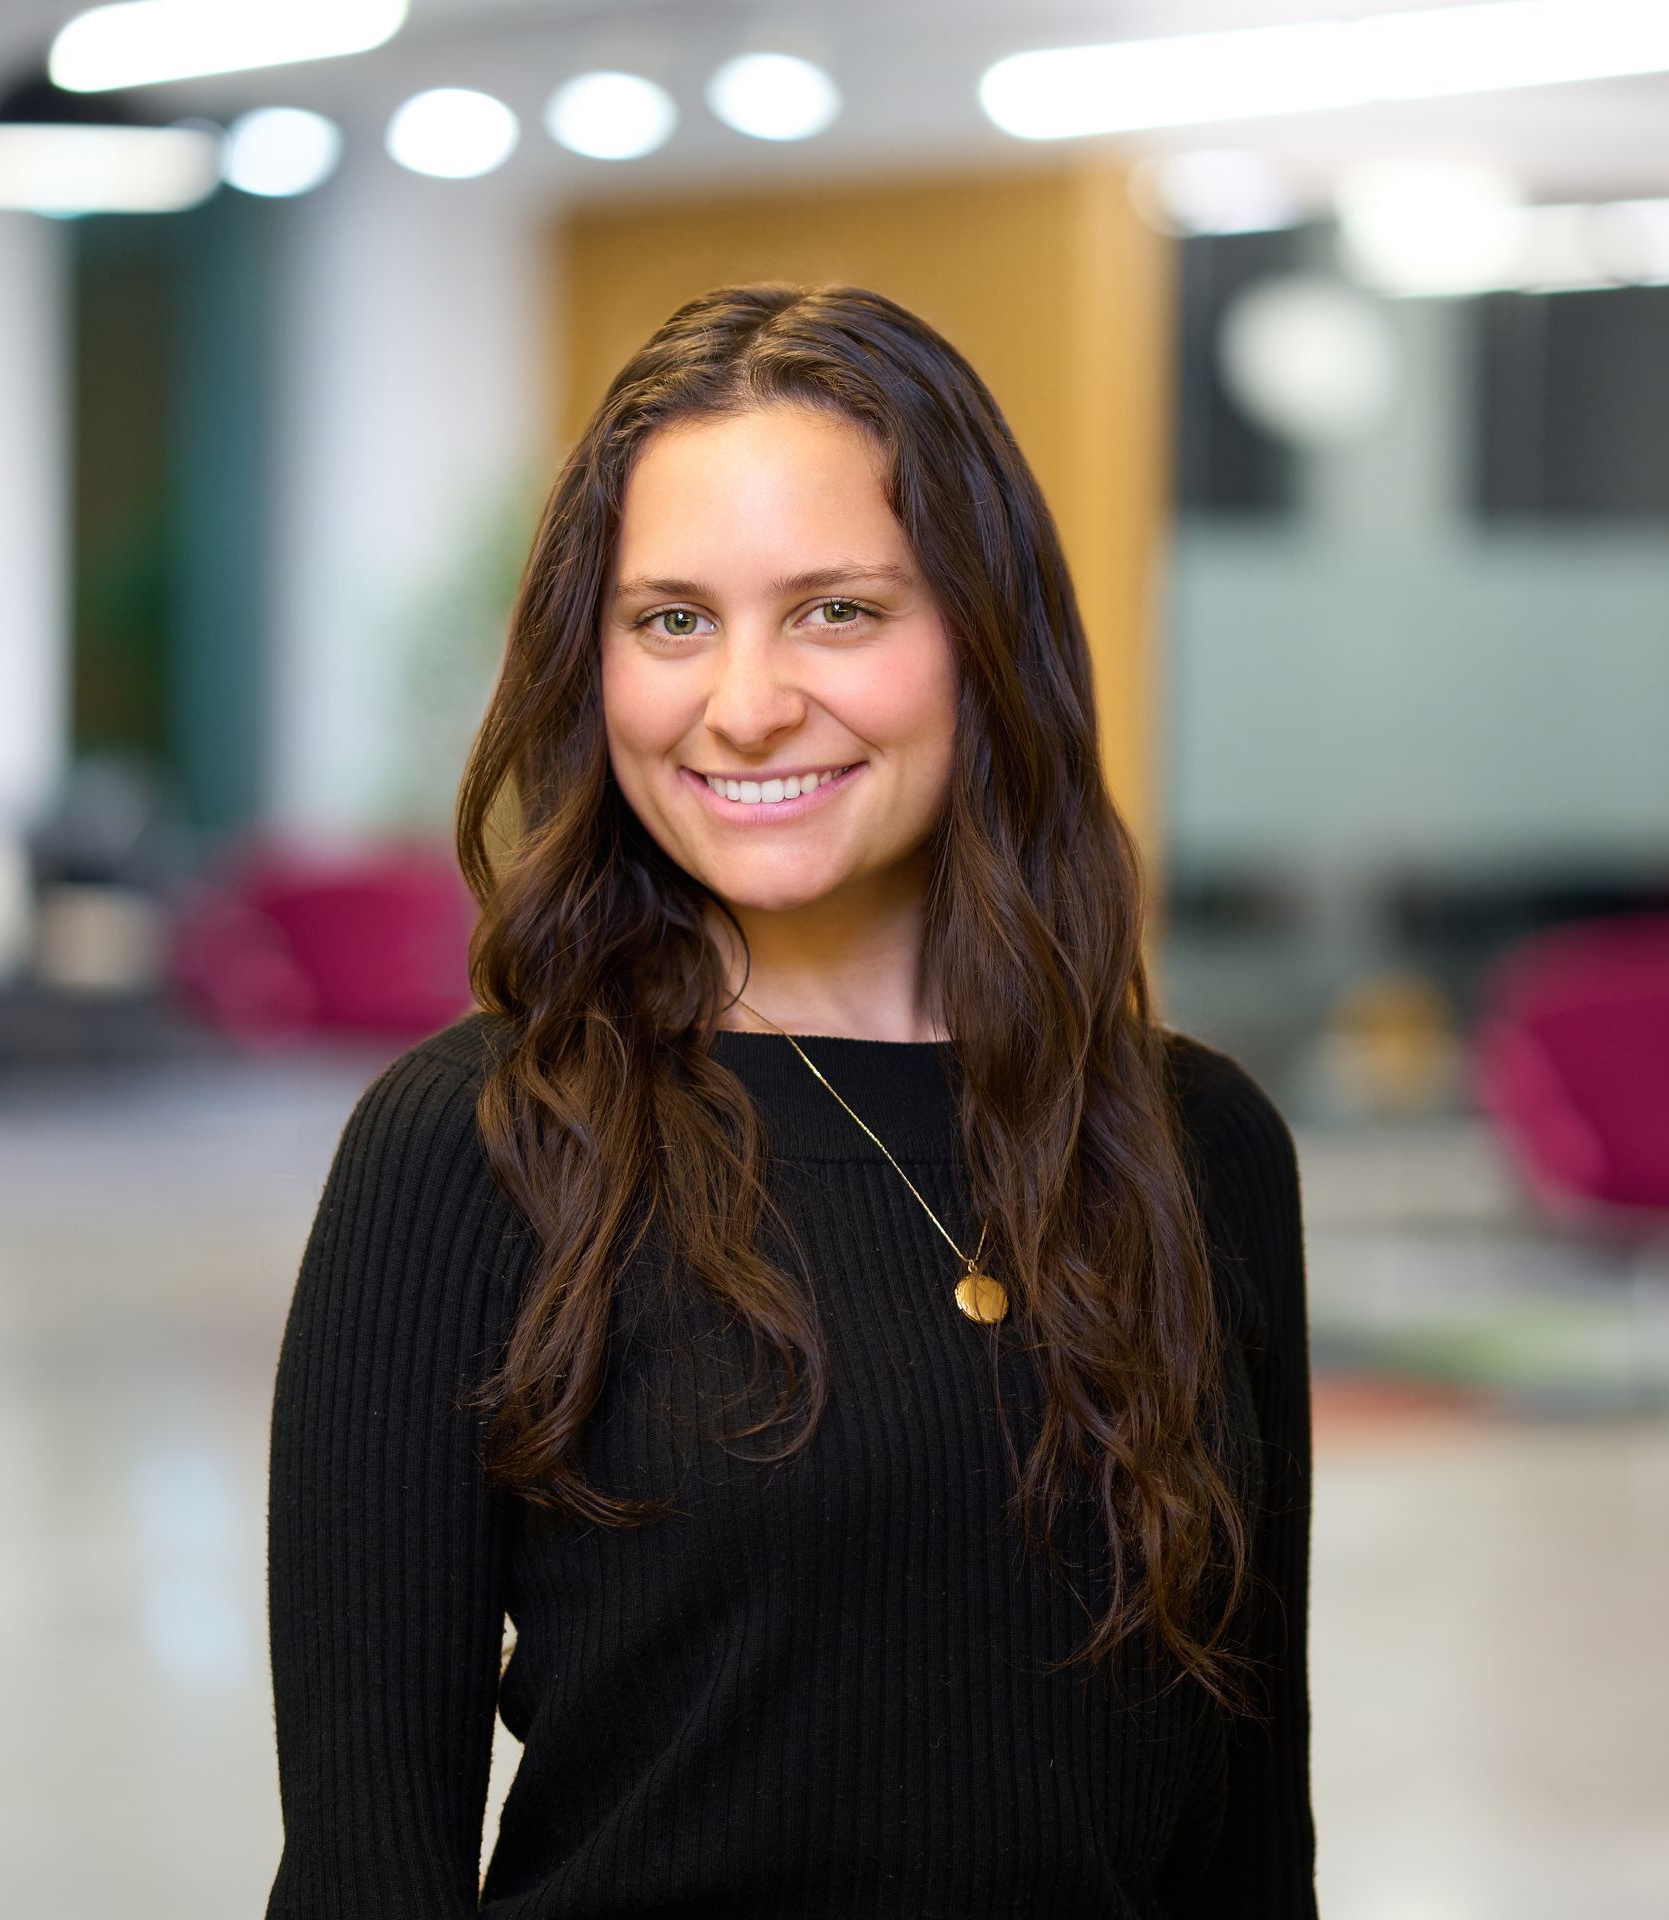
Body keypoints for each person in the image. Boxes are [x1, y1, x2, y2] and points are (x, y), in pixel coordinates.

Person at [264, 282, 1318, 1918]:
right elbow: (364, 1881)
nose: (742, 702)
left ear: (983, 634)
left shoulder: (1199, 1146)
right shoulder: (475, 1145)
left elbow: (1252, 1851)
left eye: (836, 610)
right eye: (671, 619)